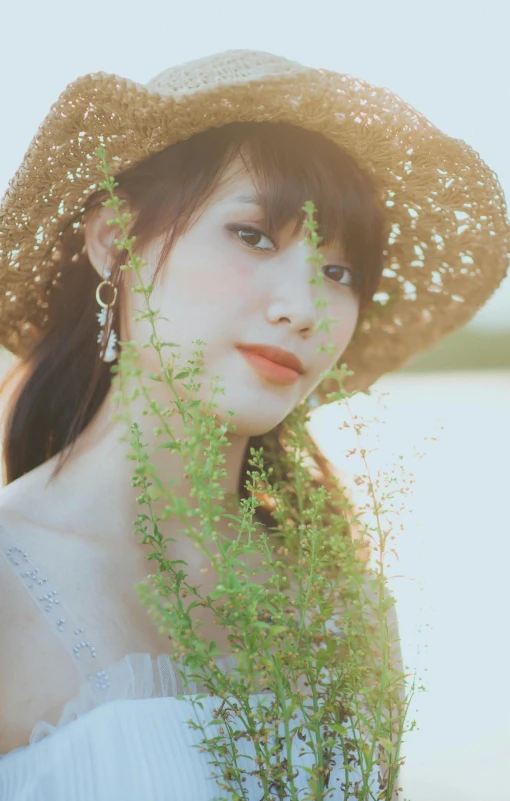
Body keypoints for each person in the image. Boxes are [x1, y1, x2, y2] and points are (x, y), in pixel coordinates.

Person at [0, 49, 508, 800]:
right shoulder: (12, 583)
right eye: (255, 236)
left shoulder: (346, 602)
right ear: (115, 241)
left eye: (340, 273)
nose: (302, 307)